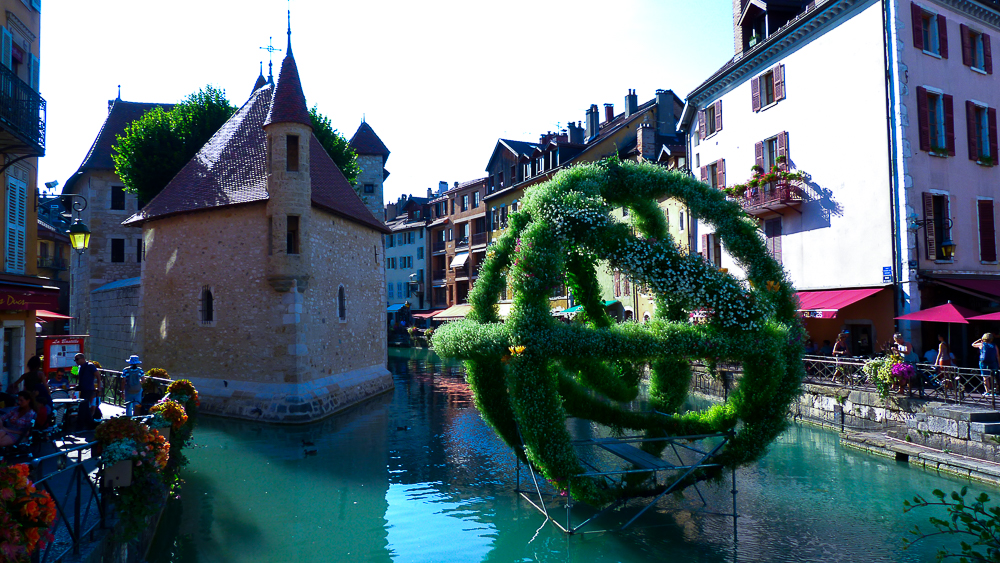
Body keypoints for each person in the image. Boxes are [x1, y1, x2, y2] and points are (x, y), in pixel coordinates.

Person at [74, 353, 100, 430]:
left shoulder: (90, 366)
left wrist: (98, 387)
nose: (76, 361)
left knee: (83, 406)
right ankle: (90, 424)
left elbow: (98, 376)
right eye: (75, 360)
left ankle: (80, 425)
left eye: (77, 359)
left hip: (88, 389)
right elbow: (74, 374)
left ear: (82, 359)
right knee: (84, 406)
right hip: (82, 389)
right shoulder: (79, 367)